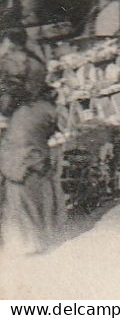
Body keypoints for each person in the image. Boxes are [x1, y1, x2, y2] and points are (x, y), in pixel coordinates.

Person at [0, 70, 61, 257]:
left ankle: (20, 243)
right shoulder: (47, 110)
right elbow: (51, 131)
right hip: (32, 159)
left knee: (17, 203)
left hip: (12, 162)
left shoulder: (18, 111)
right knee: (34, 201)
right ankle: (35, 242)